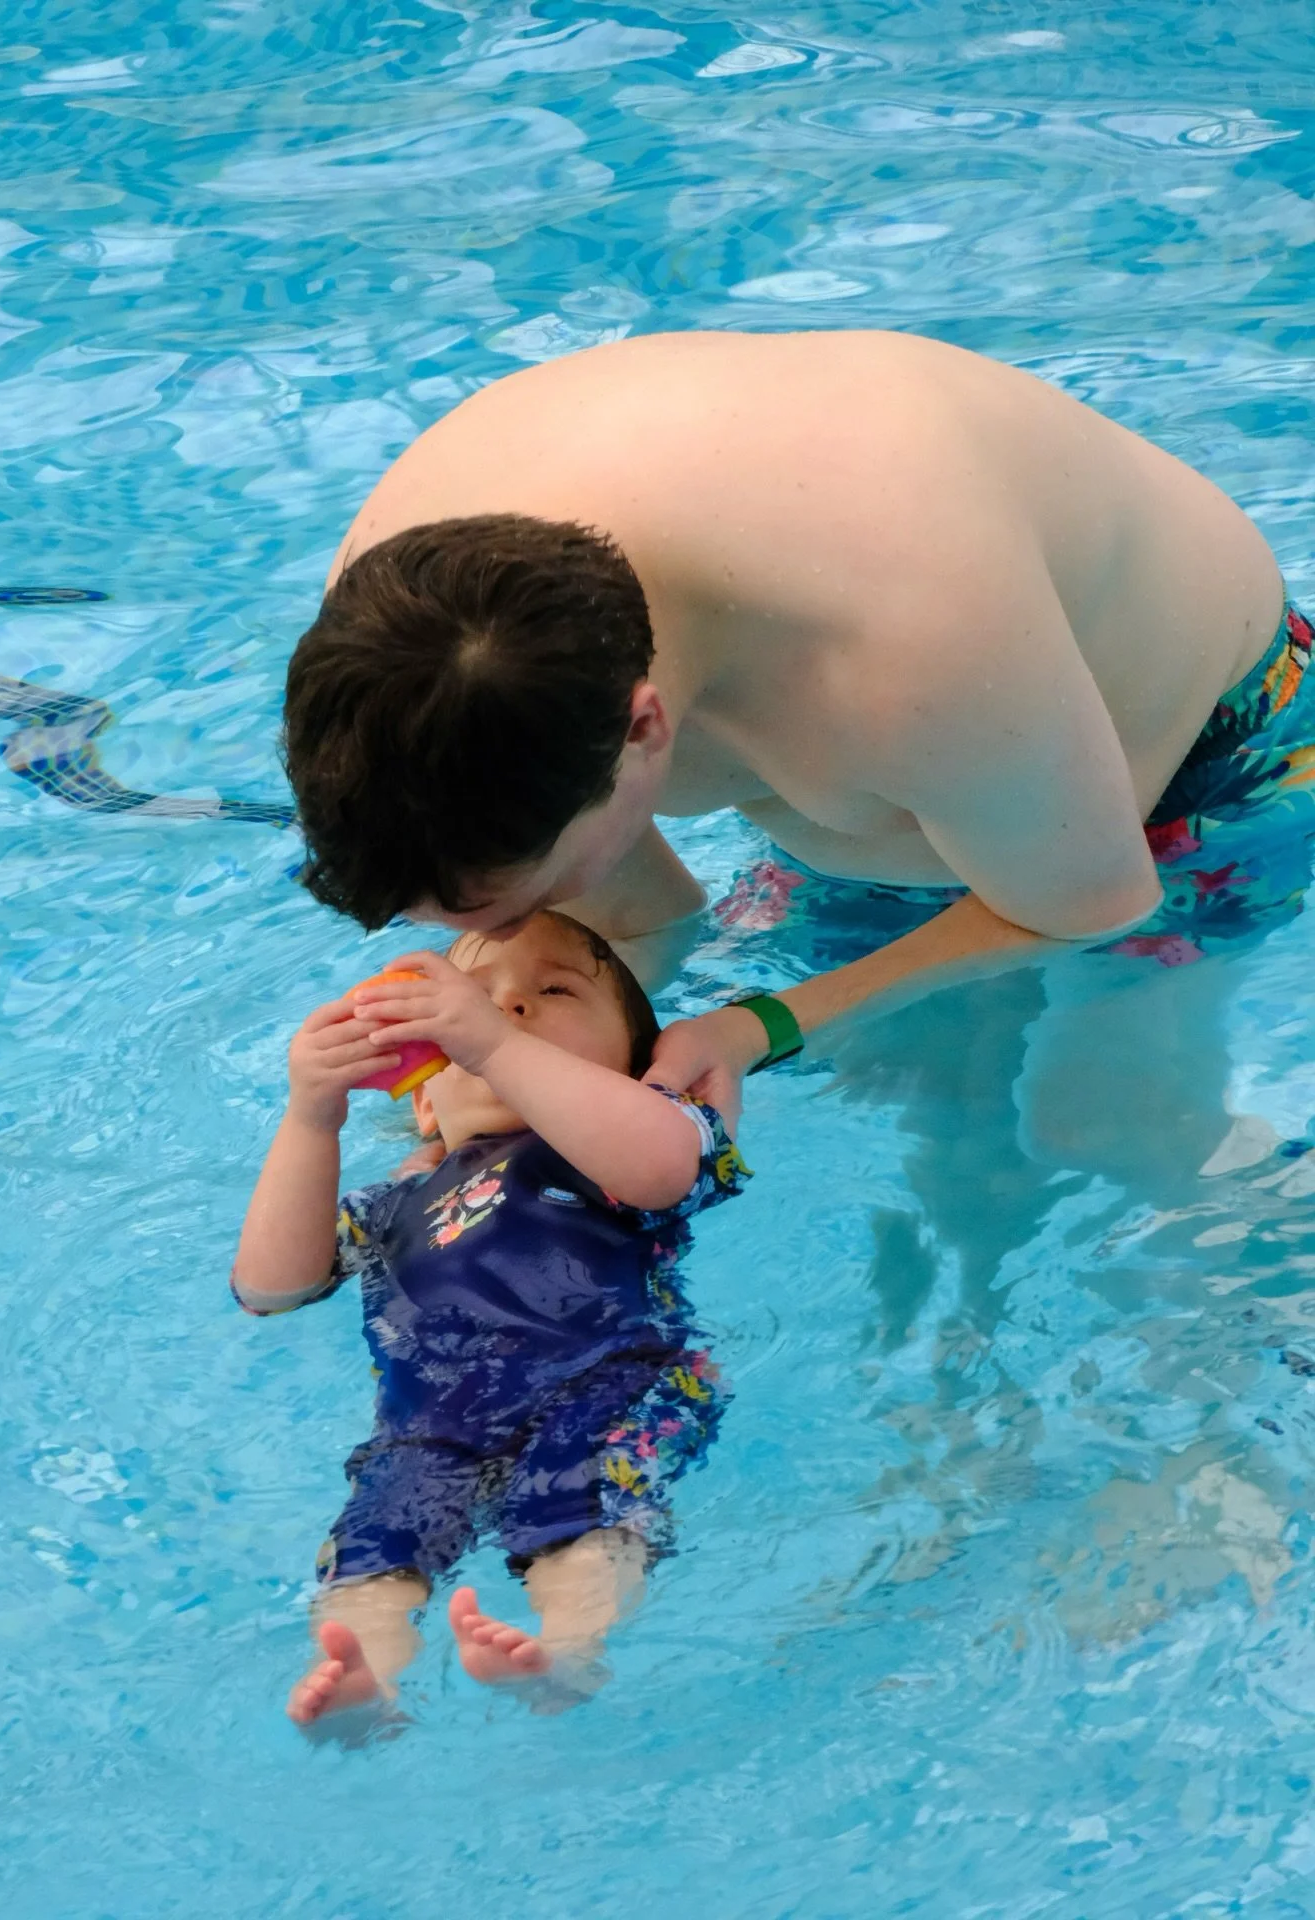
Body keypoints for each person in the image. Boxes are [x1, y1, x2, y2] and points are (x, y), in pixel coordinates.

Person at [281, 329, 1313, 1122]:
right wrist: (489, 1073)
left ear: (644, 731)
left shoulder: (907, 636)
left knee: (1111, 1136)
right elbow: (645, 920)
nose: (506, 938)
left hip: (1191, 782)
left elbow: (1093, 899)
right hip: (929, 790)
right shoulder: (411, 636)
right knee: (926, 1111)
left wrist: (760, 1025)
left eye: (530, 901)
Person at [232, 910, 748, 1733]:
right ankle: (364, 1672)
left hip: (607, 1382)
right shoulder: (392, 1206)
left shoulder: (622, 1146)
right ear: (426, 1105)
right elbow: (270, 1289)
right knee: (376, 1540)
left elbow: (666, 1162)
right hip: (428, 1428)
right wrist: (310, 1117)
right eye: (469, 1003)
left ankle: (572, 1648)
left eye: (551, 990)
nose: (500, 1014)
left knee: (583, 1506)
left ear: (634, 1073)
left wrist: (498, 1048)